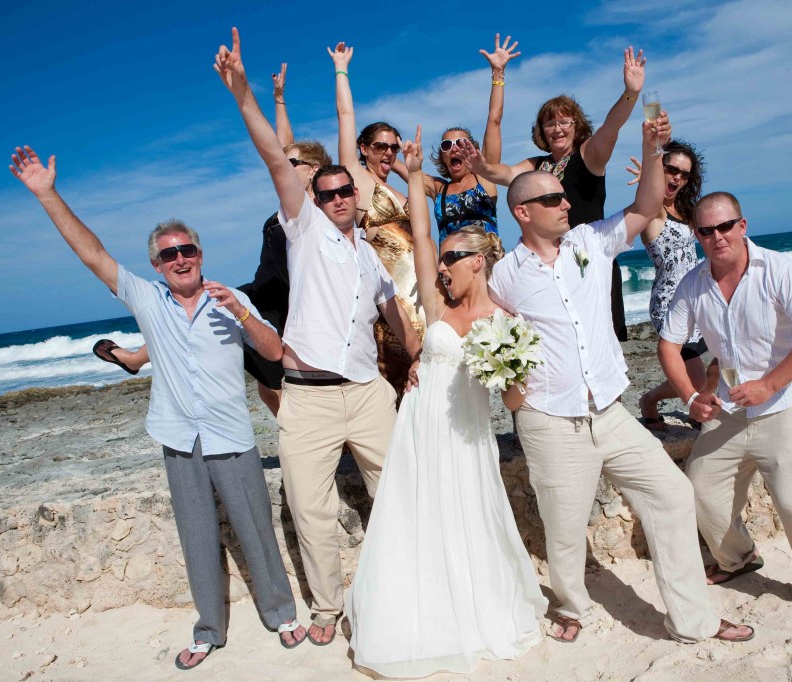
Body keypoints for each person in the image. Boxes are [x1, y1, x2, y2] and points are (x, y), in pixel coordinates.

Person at [10, 146, 303, 670]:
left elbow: (272, 350)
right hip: (178, 437)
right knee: (197, 538)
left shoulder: (230, 300)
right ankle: (209, 629)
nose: (180, 259)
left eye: (187, 249)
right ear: (156, 265)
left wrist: (242, 312)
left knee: (257, 528)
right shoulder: (147, 301)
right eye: (169, 254)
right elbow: (93, 255)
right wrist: (48, 194)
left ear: (200, 253)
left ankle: (280, 614)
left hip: (232, 436)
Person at [488, 118, 754, 644]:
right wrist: (514, 399)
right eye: (552, 200)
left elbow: (644, 205)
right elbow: (493, 346)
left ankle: (693, 620)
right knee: (564, 529)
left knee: (673, 496)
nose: (566, 204)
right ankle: (570, 606)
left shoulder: (591, 241)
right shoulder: (504, 276)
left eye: (565, 197)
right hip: (550, 420)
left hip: (610, 413)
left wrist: (651, 146)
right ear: (522, 212)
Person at [215, 28, 422, 646]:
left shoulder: (372, 258)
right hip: (305, 397)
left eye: (343, 190)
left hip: (366, 395)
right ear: (315, 197)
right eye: (324, 190)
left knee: (401, 492)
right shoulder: (304, 230)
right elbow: (277, 157)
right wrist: (245, 93)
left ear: (356, 196)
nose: (334, 196)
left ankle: (404, 585)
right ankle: (328, 609)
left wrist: (415, 361)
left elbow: (397, 315)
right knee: (312, 510)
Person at [345, 127, 546, 678]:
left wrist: (512, 370)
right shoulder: (435, 302)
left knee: (468, 513)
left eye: (454, 258)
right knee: (413, 515)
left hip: (466, 433)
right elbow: (421, 234)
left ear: (478, 261)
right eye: (443, 259)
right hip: (419, 424)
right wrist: (413, 175)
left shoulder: (505, 323)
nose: (441, 266)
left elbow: (515, 397)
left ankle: (470, 608)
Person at [91, 62, 331, 417]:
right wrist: (279, 100)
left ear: (313, 170)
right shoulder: (288, 202)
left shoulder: (316, 213)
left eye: (293, 163)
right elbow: (282, 149)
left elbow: (286, 154)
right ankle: (136, 358)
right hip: (259, 292)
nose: (282, 164)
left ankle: (299, 435)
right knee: (201, 308)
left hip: (287, 301)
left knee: (276, 380)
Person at [657, 191, 792, 626]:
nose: (717, 237)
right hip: (731, 406)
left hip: (788, 401)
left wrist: (771, 383)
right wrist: (690, 397)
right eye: (706, 230)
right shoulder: (693, 283)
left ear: (742, 226)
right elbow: (668, 345)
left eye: (725, 226)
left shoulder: (778, 269)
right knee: (700, 486)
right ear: (696, 235)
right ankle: (739, 557)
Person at [456, 47, 648, 342]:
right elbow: (505, 174)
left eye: (564, 121)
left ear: (576, 125)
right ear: (542, 131)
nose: (557, 128)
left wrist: (630, 93)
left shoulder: (589, 157)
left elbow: (612, 127)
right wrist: (481, 166)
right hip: (552, 268)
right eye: (550, 123)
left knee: (601, 349)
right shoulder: (537, 165)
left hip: (590, 262)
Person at [330, 42, 424, 398]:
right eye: (380, 146)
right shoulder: (358, 180)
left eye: (393, 147)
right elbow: (344, 116)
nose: (387, 152)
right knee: (397, 374)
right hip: (390, 294)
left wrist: (409, 167)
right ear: (363, 148)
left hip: (420, 289)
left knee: (427, 370)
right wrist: (342, 70)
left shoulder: (399, 186)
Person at [391, 34, 520, 240]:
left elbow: (494, 120)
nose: (454, 148)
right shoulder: (438, 189)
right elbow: (400, 167)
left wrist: (498, 73)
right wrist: (385, 147)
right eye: (446, 145)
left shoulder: (485, 176)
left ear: (471, 148)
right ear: (442, 156)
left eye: (461, 142)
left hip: (487, 268)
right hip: (449, 270)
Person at [632, 140, 709, 429]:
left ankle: (655, 400)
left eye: (684, 174)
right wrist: (648, 181)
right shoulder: (653, 211)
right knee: (698, 379)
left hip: (696, 298)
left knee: (702, 373)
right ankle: (653, 401)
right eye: (671, 169)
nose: (676, 177)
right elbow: (648, 199)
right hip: (670, 302)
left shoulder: (685, 212)